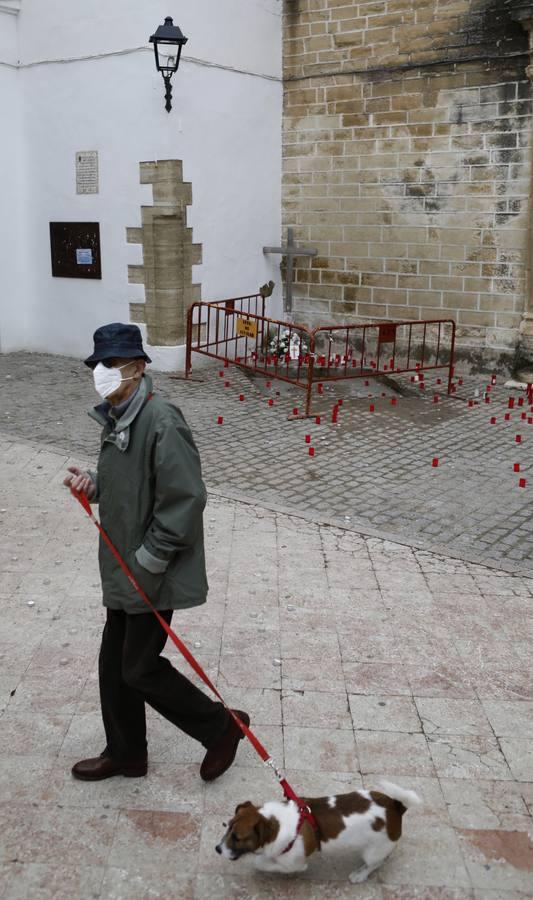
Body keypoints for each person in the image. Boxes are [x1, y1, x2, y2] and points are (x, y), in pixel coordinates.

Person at [63, 322, 249, 781]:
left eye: (111, 364)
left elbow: (185, 498)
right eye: (97, 364)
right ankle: (127, 754)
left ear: (138, 366)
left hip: (151, 568)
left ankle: (221, 729)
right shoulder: (116, 416)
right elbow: (129, 482)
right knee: (115, 664)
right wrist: (94, 483)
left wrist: (151, 557)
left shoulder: (162, 419)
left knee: (139, 667)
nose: (102, 373)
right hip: (124, 565)